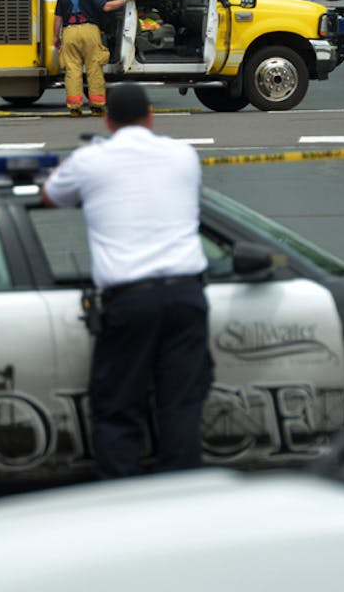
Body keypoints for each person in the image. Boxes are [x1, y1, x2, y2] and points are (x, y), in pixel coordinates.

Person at [41, 83, 211, 479]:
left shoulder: (90, 160)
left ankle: (123, 497)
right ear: (152, 117)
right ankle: (183, 494)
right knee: (182, 404)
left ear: (107, 120)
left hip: (130, 301)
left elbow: (52, 195)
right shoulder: (183, 156)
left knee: (118, 406)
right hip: (187, 295)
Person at [54, 0, 134, 116]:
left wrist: (55, 37)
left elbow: (57, 18)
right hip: (89, 31)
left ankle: (75, 108)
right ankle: (97, 106)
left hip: (69, 32)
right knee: (94, 68)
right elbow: (106, 7)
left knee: (72, 70)